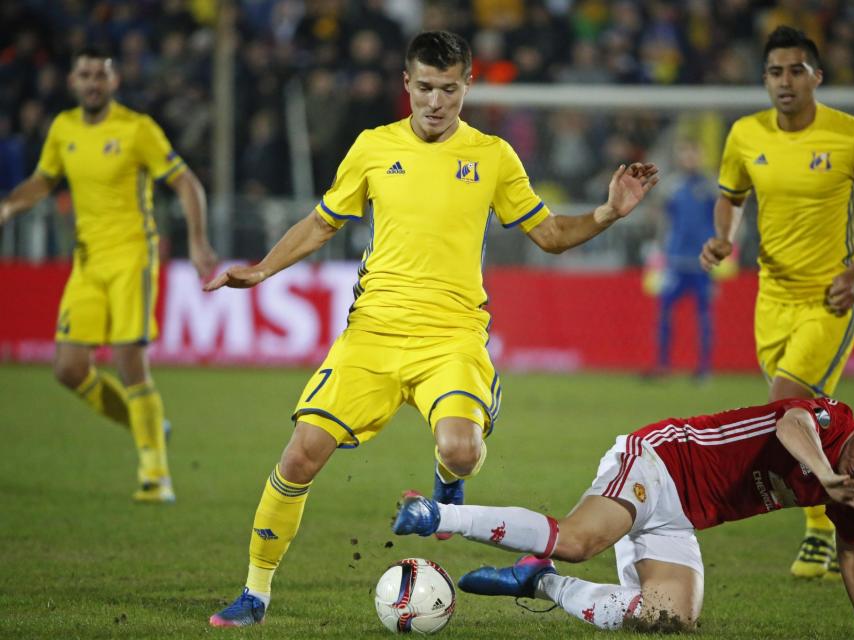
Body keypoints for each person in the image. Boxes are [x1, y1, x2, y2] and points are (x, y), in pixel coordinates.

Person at [205, 30, 660, 627]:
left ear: (467, 85)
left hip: (451, 337)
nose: (436, 102)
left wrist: (606, 213)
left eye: (449, 89)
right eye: (425, 88)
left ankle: (449, 482)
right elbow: (321, 224)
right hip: (371, 335)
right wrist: (263, 269)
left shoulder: (493, 155)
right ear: (406, 84)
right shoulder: (372, 147)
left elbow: (548, 235)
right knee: (299, 458)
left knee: (461, 449)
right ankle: (255, 594)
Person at [394, 398, 854, 636]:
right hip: (661, 459)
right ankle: (438, 513)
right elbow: (790, 424)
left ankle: (541, 583)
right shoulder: (829, 419)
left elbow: (852, 551)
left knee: (670, 619)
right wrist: (824, 472)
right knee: (580, 540)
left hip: (680, 517)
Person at [699, 26, 854, 579]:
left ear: (817, 75)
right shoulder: (746, 134)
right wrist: (724, 237)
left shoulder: (853, 137)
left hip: (830, 299)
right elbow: (730, 196)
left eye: (795, 70)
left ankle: (819, 532)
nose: (784, 81)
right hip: (773, 297)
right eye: (774, 72)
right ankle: (840, 527)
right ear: (764, 79)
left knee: (787, 403)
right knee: (809, 420)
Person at [0, 46, 217, 503]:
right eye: (85, 74)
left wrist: (198, 242)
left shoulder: (136, 130)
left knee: (128, 361)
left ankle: (156, 475)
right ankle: (150, 425)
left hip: (132, 258)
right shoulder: (63, 128)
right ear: (73, 81)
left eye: (101, 74)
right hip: (85, 262)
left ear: (114, 82)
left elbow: (186, 182)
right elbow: (44, 179)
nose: (93, 82)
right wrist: (8, 206)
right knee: (68, 369)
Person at [654, 138, 716, 379]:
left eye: (693, 153)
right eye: (685, 154)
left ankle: (703, 368)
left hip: (702, 262)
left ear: (700, 156)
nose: (689, 158)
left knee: (703, 315)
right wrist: (660, 250)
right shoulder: (671, 187)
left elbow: (722, 219)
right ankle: (663, 364)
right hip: (676, 260)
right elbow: (663, 221)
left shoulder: (710, 187)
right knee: (665, 311)